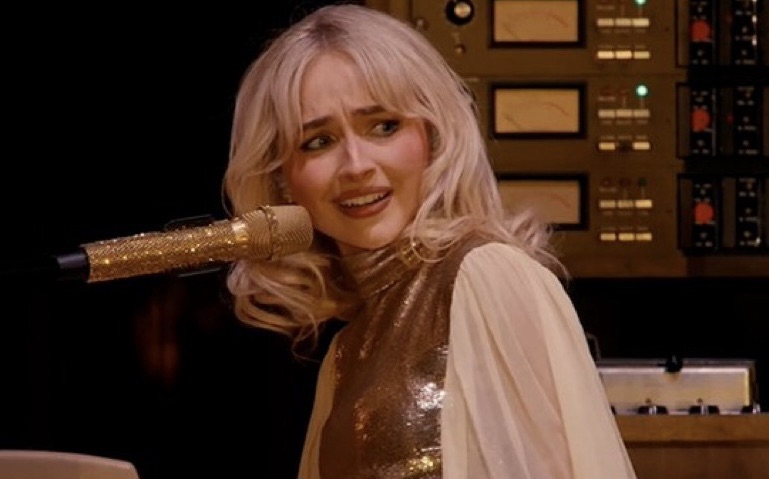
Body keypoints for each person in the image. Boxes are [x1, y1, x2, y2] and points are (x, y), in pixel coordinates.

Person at [221, 3, 638, 478]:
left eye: (384, 126)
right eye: (319, 141)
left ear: (433, 137)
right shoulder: (344, 353)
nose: (357, 165)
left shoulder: (485, 277)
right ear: (281, 181)